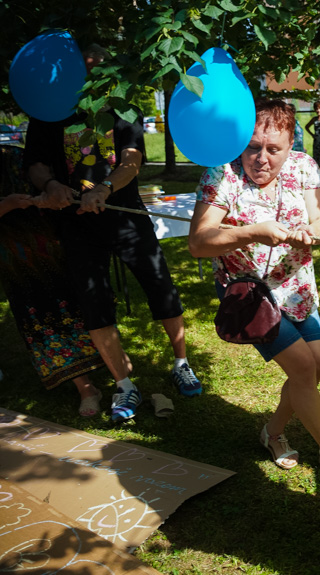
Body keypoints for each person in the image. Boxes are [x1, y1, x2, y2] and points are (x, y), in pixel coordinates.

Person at [188, 99, 320, 487]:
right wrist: (252, 231)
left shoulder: (305, 166)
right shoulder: (221, 174)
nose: (262, 158)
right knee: (303, 368)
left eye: (274, 149)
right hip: (250, 295)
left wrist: (314, 233)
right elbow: (199, 243)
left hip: (297, 288)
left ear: (290, 145)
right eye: (253, 147)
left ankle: (272, 431)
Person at [24, 44, 201, 423]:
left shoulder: (121, 106)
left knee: (161, 286)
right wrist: (52, 185)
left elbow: (132, 159)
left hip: (126, 218)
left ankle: (182, 361)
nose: (92, 68)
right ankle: (124, 384)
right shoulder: (46, 111)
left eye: (98, 63)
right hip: (74, 225)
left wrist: (105, 189)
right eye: (85, 62)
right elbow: (35, 163)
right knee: (93, 301)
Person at [1, 145, 105, 416]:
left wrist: (50, 195)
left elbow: (60, 187)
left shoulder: (17, 156)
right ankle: (85, 387)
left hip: (54, 241)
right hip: (14, 255)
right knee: (41, 316)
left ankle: (113, 368)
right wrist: (7, 205)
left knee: (80, 304)